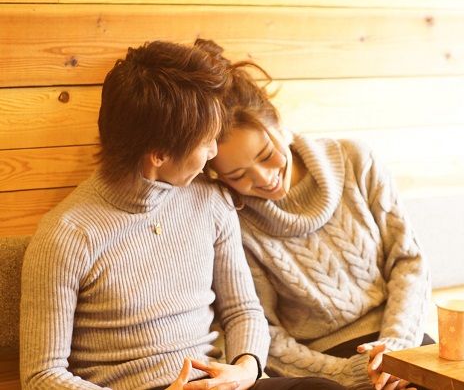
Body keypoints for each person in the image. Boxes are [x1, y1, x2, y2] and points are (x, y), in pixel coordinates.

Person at [20, 40, 346, 390]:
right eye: (206, 141)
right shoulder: (67, 235)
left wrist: (245, 368)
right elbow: (42, 376)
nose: (213, 152)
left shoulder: (211, 201)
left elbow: (242, 310)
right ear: (159, 154)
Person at [200, 38, 433, 390]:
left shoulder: (354, 160)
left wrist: (397, 348)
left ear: (278, 123)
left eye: (266, 155)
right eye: (237, 175)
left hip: (402, 337)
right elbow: (264, 331)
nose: (263, 178)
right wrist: (351, 374)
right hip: (323, 368)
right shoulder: (234, 218)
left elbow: (408, 262)